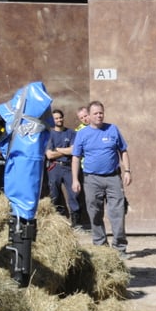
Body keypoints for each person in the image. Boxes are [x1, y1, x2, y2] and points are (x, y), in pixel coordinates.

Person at [71, 101, 132, 259]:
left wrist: (127, 171)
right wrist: (75, 180)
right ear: (89, 116)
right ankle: (100, 245)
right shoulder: (82, 134)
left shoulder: (112, 129)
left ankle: (119, 247)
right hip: (91, 179)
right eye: (96, 113)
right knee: (95, 213)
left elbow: (123, 151)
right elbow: (76, 157)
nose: (99, 116)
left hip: (113, 178)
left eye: (101, 113)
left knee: (117, 213)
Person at [46, 109, 82, 227]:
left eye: (60, 117)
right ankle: (57, 224)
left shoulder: (71, 133)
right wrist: (66, 151)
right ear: (53, 120)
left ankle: (76, 223)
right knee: (54, 195)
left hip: (68, 167)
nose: (59, 120)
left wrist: (58, 150)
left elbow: (74, 150)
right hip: (54, 167)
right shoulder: (49, 134)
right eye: (56, 118)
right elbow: (49, 155)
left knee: (74, 194)